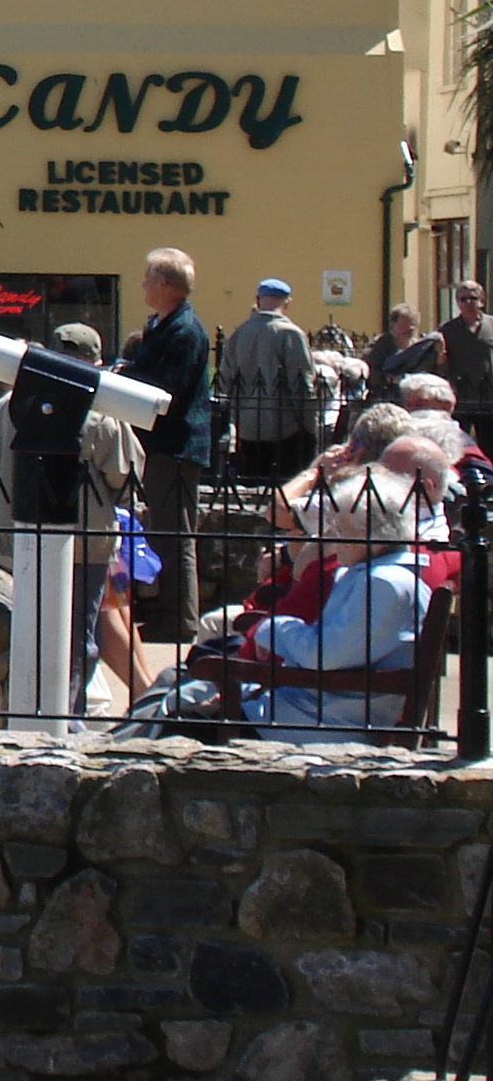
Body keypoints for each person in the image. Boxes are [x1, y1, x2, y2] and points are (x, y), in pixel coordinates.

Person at [0, 323, 141, 713]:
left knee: (33, 632)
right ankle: (67, 716)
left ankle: (31, 708)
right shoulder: (99, 412)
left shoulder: (6, 408)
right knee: (76, 637)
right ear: (96, 364)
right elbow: (127, 474)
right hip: (84, 543)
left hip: (20, 535)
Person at [240, 466, 426, 738]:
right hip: (313, 707)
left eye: (340, 530)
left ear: (371, 536)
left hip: (318, 721)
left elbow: (323, 656)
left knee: (184, 718)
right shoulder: (376, 574)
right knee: (180, 695)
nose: (333, 540)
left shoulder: (382, 583)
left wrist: (273, 629)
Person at [124, 247, 213, 636]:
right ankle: (166, 612)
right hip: (159, 445)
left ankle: (180, 619)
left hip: (176, 447)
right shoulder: (163, 324)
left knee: (175, 534)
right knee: (162, 531)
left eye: (148, 276)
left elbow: (165, 388)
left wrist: (127, 379)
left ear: (165, 283)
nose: (142, 283)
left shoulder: (185, 330)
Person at [218, 279, 316, 483]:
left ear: (258, 299)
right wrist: (309, 428)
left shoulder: (238, 334)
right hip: (286, 429)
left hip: (247, 428)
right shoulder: (290, 334)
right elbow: (302, 386)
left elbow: (225, 380)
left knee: (253, 489)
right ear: (287, 303)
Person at [364, 304, 445, 403]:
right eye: (404, 324)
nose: (410, 328)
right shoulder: (380, 344)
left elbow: (437, 371)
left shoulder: (420, 347)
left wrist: (440, 352)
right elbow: (369, 372)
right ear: (393, 324)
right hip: (385, 397)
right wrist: (390, 378)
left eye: (413, 324)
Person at [442, 281, 493, 418]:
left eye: (473, 298)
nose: (468, 302)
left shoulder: (491, 325)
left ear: (481, 301)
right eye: (463, 299)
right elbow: (440, 361)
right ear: (457, 302)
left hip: (488, 394)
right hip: (460, 395)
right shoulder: (447, 330)